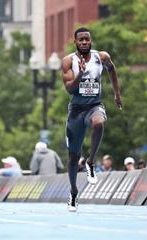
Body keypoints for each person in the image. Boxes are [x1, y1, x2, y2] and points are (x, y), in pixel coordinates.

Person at [61, 27, 122, 212]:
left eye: (87, 39)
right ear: (76, 42)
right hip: (76, 111)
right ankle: (73, 191)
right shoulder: (68, 61)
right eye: (81, 40)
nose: (85, 42)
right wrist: (80, 74)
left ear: (91, 40)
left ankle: (91, 162)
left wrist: (117, 94)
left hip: (95, 106)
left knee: (99, 123)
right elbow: (70, 89)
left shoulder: (101, 57)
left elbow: (112, 70)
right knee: (73, 157)